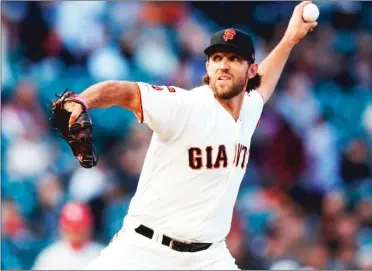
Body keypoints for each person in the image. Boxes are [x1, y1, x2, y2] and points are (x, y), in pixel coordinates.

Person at [63, 2, 317, 269]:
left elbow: (264, 83)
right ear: (207, 67)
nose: (224, 66)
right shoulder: (184, 106)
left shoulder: (250, 107)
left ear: (250, 71)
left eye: (234, 59)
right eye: (217, 58)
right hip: (146, 248)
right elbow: (123, 91)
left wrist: (290, 39)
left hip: (207, 256)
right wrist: (83, 100)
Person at [32, 202, 103, 270]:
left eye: (79, 228)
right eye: (71, 229)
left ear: (88, 228)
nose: (75, 233)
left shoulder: (101, 254)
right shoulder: (50, 256)